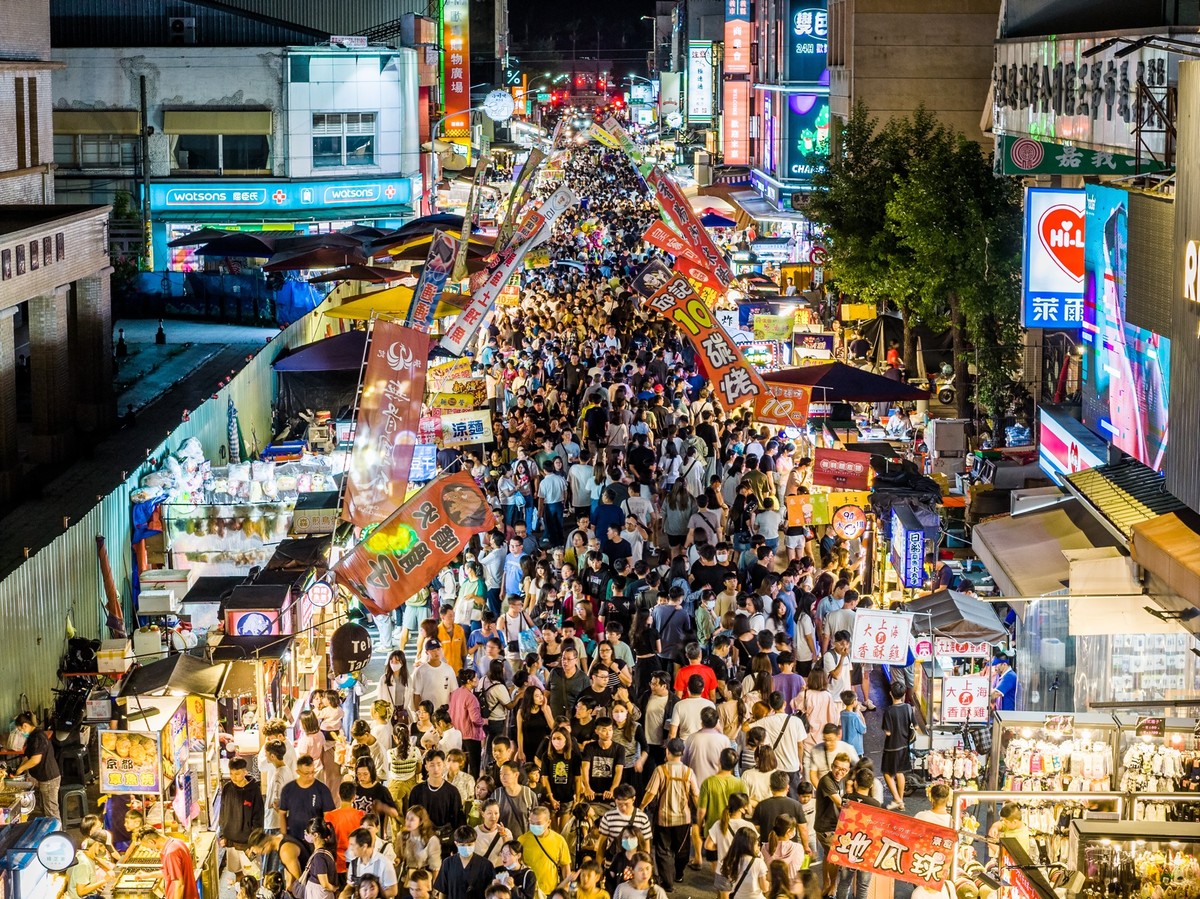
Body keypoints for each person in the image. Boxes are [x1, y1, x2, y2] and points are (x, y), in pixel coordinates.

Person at [640, 738, 699, 890]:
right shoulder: (689, 771)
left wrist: (641, 807)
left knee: (663, 851)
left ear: (667, 752)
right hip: (683, 818)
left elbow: (651, 793)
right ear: (682, 753)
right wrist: (699, 813)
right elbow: (695, 795)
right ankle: (678, 874)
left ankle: (667, 882)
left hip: (663, 818)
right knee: (682, 849)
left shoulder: (660, 770)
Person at [835, 768, 881, 899]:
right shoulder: (875, 804)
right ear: (871, 786)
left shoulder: (846, 799)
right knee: (863, 885)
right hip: (866, 847)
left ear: (855, 783)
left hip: (847, 845)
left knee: (844, 882)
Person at [218, 757, 264, 881]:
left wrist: (255, 842)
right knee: (237, 873)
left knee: (253, 877)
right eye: (231, 774)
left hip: (247, 844)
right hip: (231, 842)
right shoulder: (227, 788)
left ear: (245, 772)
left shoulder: (254, 790)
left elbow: (258, 818)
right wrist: (222, 835)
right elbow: (222, 812)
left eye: (237, 774)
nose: (234, 777)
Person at [813, 755, 851, 899]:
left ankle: (826, 884)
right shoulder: (826, 781)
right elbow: (840, 803)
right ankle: (832, 887)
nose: (839, 772)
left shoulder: (841, 780)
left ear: (847, 771)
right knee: (834, 858)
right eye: (837, 767)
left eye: (843, 770)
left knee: (827, 856)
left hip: (833, 825)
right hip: (826, 828)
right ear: (832, 766)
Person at [11, 711, 61, 822]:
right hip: (44, 778)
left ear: (25, 725)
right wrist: (19, 770)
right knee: (46, 810)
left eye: (20, 730)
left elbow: (35, 760)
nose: (21, 732)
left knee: (51, 813)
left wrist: (21, 769)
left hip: (49, 779)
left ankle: (58, 832)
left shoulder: (38, 737)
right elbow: (27, 757)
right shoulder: (33, 736)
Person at [518, 806, 571, 896]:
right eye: (532, 823)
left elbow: (565, 866)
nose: (534, 826)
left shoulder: (559, 840)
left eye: (538, 823)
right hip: (529, 892)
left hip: (550, 892)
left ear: (548, 822)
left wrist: (565, 888)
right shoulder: (522, 840)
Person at [281, 755, 336, 842]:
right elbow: (282, 813)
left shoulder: (322, 789)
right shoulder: (288, 789)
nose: (310, 776)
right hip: (293, 837)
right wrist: (284, 836)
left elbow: (328, 816)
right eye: (306, 773)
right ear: (298, 772)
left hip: (315, 839)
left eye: (312, 772)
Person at [880, 680, 916, 810]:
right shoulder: (908, 708)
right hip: (904, 746)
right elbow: (915, 726)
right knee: (900, 772)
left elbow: (888, 732)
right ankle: (901, 802)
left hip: (891, 747)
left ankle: (897, 799)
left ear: (890, 693)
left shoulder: (889, 711)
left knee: (887, 773)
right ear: (904, 694)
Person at [434, 826, 496, 899]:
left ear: (475, 842)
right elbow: (442, 890)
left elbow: (491, 892)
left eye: (469, 845)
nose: (466, 848)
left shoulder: (485, 865)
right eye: (462, 845)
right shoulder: (448, 863)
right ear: (456, 843)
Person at [137, 827, 200, 899]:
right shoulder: (178, 842)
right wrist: (147, 875)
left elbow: (179, 885)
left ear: (151, 842)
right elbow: (170, 872)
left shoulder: (171, 853)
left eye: (148, 847)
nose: (150, 849)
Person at [344, 827, 400, 898]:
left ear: (364, 847)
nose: (351, 848)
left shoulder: (384, 863)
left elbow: (393, 891)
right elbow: (350, 885)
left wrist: (373, 894)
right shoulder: (353, 864)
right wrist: (343, 895)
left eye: (352, 845)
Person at [65, 835, 117, 899]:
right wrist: (105, 880)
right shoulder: (83, 863)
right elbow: (81, 891)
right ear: (96, 844)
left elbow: (69, 877)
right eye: (103, 847)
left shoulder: (84, 855)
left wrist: (94, 886)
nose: (105, 850)